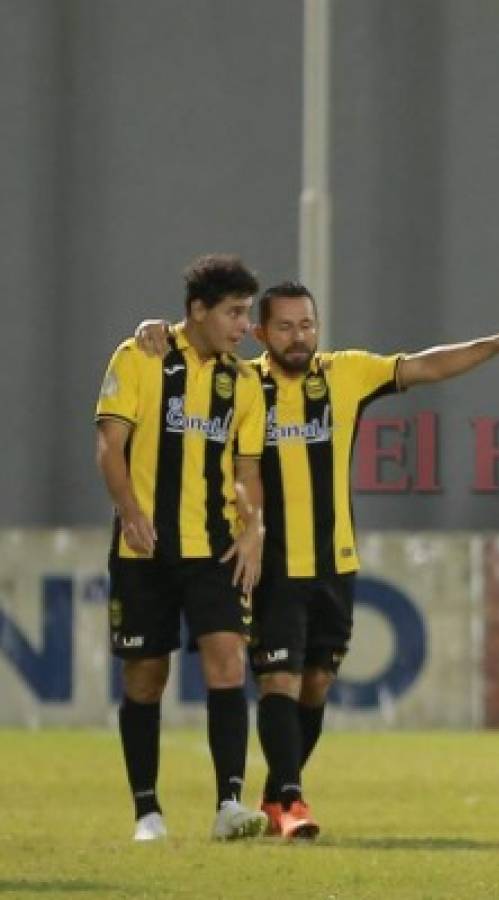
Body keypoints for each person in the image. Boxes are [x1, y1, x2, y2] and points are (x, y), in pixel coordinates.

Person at [135, 282, 499, 839]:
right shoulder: (242, 385)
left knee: (315, 685)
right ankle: (290, 801)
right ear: (261, 334)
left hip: (335, 561)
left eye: (306, 325)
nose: (298, 337)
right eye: (284, 327)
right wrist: (154, 330)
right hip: (270, 563)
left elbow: (424, 367)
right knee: (280, 681)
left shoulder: (344, 375)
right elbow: (191, 347)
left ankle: (275, 793)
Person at [95, 254, 269, 841]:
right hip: (144, 551)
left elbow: (248, 469)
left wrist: (253, 528)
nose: (244, 326)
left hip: (214, 549)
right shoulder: (140, 355)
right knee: (146, 676)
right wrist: (130, 512)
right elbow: (109, 445)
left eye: (246, 314)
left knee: (228, 660)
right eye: (234, 313)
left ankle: (229, 806)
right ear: (198, 310)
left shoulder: (243, 382)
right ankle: (147, 811)